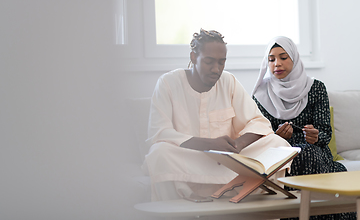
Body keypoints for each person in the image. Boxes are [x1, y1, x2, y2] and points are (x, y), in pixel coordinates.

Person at [142, 29, 292, 202]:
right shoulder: (168, 83)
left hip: (229, 162)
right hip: (191, 159)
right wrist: (209, 144)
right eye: (209, 62)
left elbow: (258, 122)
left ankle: (261, 211)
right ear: (193, 57)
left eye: (222, 62)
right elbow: (159, 133)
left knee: (278, 144)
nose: (216, 69)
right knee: (159, 153)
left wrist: (237, 144)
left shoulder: (229, 81)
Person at [252, 36, 356, 220]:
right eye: (271, 59)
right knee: (310, 160)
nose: (277, 63)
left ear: (294, 58)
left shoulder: (315, 88)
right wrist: (279, 137)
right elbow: (262, 136)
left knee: (309, 154)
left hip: (315, 151)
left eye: (283, 57)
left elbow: (325, 133)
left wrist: (315, 137)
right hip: (281, 154)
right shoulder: (261, 95)